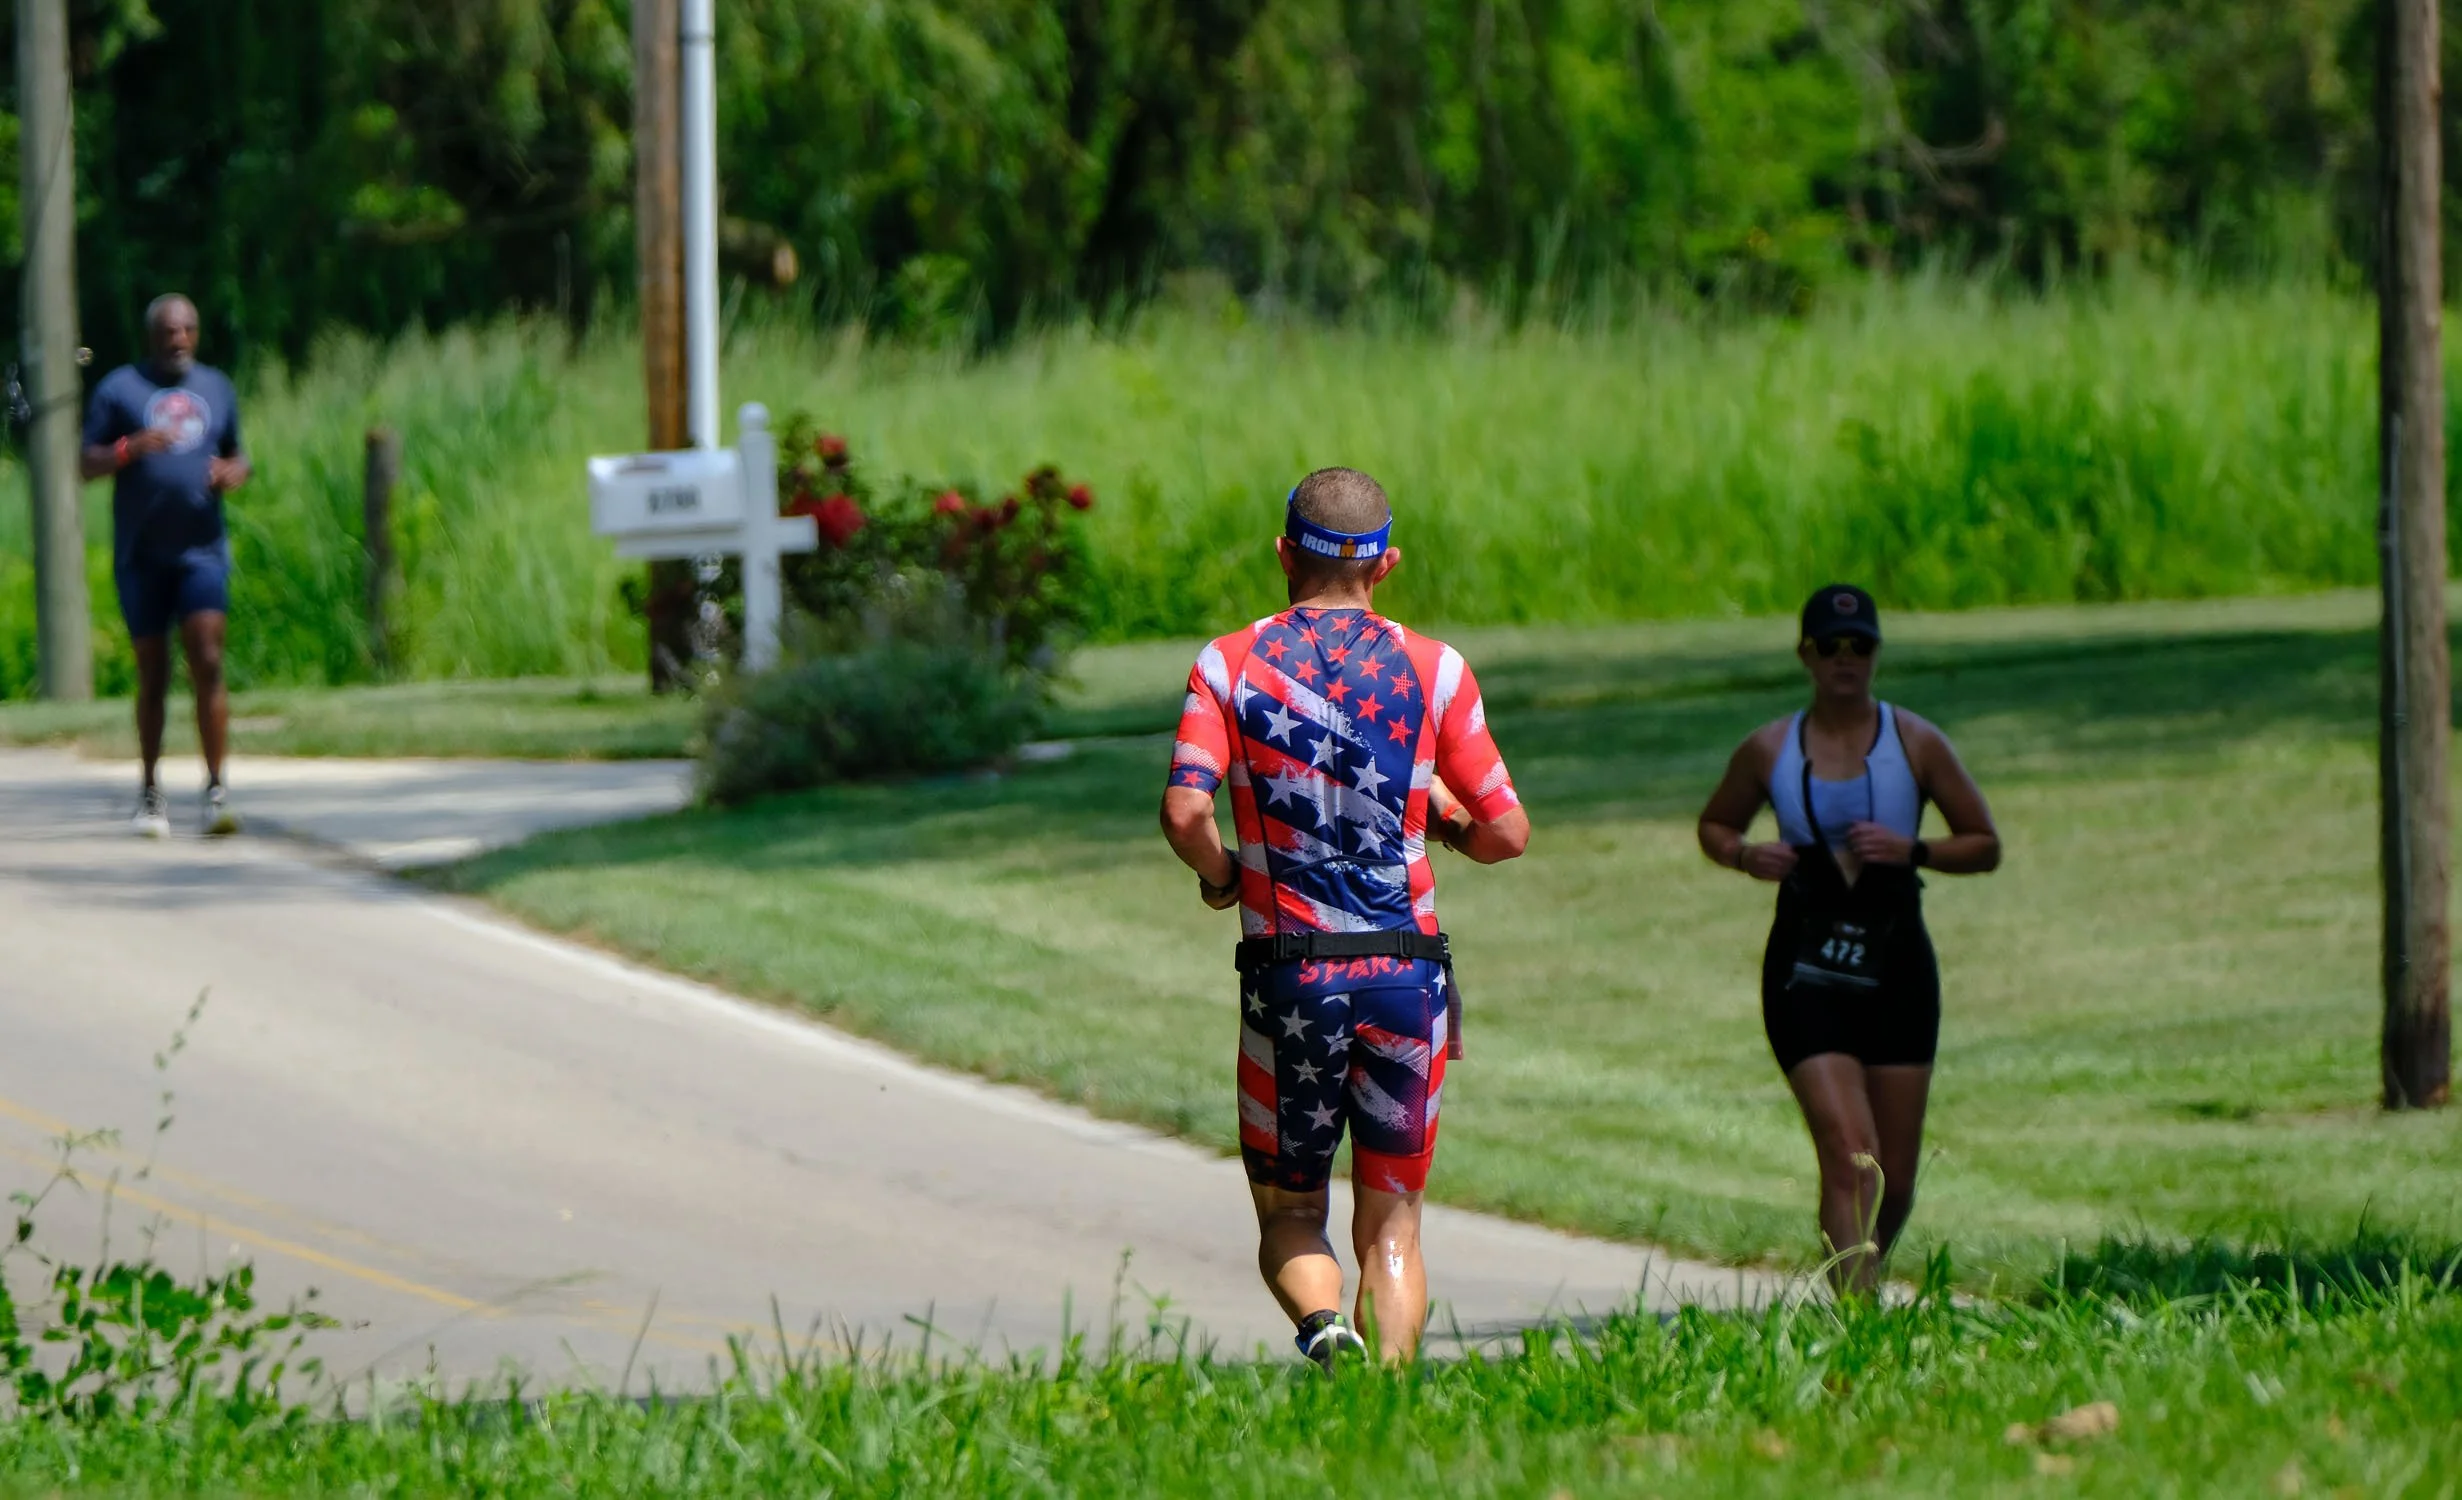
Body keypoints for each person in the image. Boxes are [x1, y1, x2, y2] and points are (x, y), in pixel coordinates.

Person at [1160, 467, 1531, 1369]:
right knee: (1393, 1221)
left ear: (1285, 553)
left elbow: (1185, 811)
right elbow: (1505, 833)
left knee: (1291, 1210)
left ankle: (1328, 1333)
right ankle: (1388, 1409)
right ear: (1386, 564)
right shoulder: (1437, 668)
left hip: (1292, 973)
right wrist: (1437, 816)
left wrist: (1223, 881)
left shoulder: (1228, 664)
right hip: (1407, 976)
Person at [1696, 585, 2000, 1293]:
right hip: (1805, 967)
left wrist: (1912, 851)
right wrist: (1746, 855)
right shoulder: (1769, 747)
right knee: (1850, 1151)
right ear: (1806, 656)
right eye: (1830, 648)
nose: (1845, 660)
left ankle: (1863, 1272)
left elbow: (1984, 843)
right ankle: (1853, 1320)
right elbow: (1716, 825)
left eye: (1858, 646)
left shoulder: (1916, 742)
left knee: (1892, 1176)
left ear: (1876, 654)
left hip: (1896, 962)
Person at [80, 294, 250, 838]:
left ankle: (216, 788)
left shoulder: (216, 387)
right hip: (142, 556)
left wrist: (233, 472)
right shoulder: (120, 389)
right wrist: (130, 448)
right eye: (168, 331)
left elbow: (237, 454)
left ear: (196, 335)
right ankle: (151, 793)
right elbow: (85, 462)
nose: (178, 340)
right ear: (151, 335)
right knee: (153, 673)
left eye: (187, 331)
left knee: (207, 659)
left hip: (201, 551)